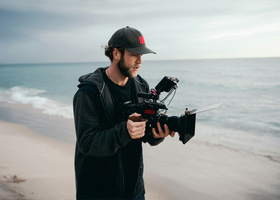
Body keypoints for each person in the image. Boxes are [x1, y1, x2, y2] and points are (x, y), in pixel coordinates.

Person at [73, 26, 175, 200]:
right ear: (116, 54)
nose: (139, 61)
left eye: (141, 55)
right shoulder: (89, 92)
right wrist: (125, 131)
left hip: (133, 189)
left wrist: (158, 134)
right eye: (134, 54)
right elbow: (87, 144)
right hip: (97, 190)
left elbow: (144, 134)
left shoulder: (141, 86)